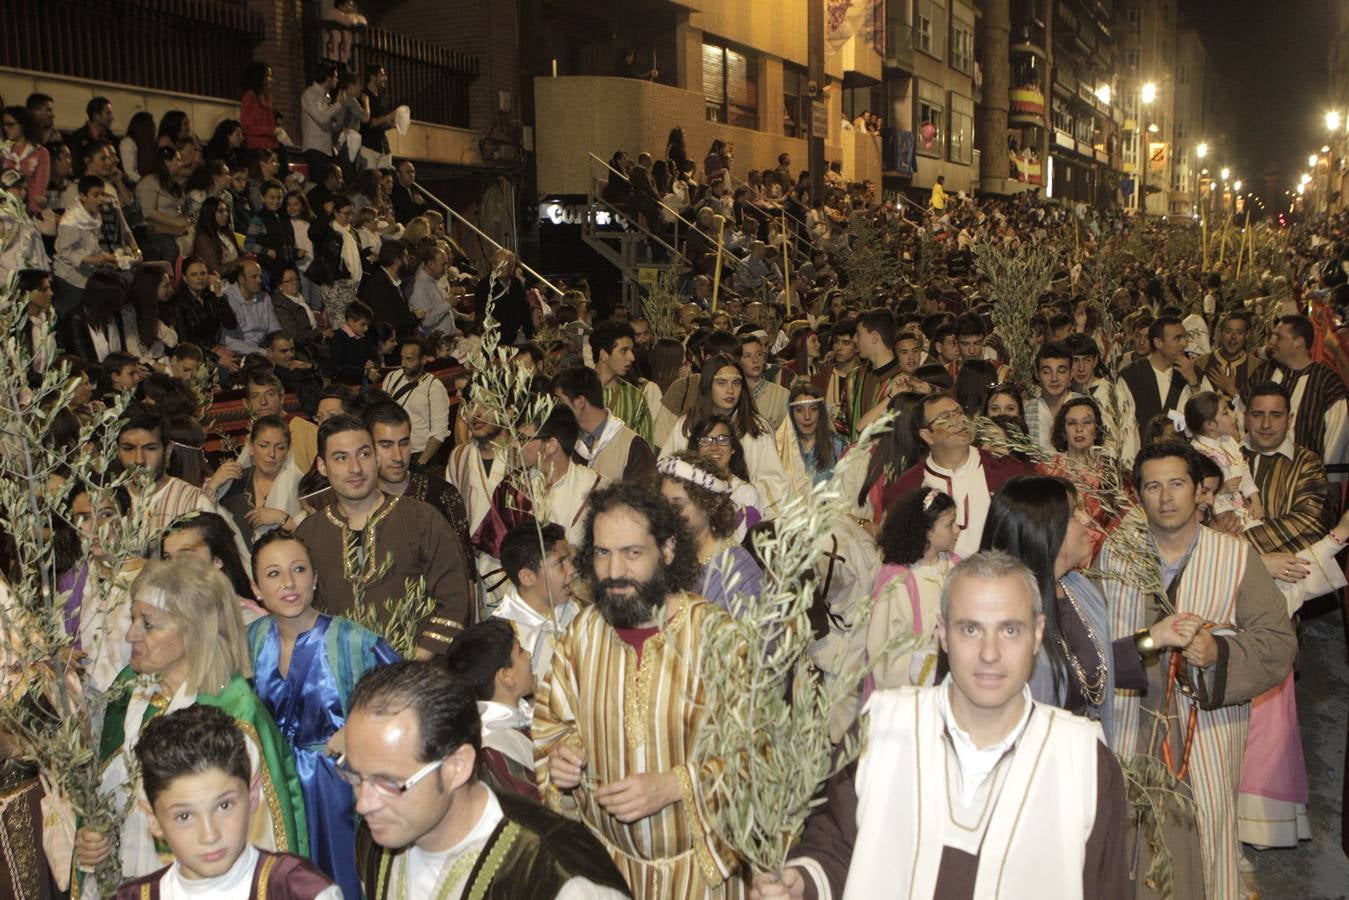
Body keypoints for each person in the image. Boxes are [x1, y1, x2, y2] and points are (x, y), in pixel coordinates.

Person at [754, 551, 1129, 900]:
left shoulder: (1082, 763)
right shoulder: (883, 729)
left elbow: (1104, 888)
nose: (989, 652)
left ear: (1037, 633)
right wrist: (800, 882)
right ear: (942, 633)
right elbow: (832, 845)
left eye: (1010, 630)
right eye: (970, 629)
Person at [1098, 442, 1296, 900]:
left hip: (1205, 728)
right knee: (1130, 838)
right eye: (1152, 486)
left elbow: (1278, 643)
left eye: (1176, 484)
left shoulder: (1236, 558)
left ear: (1199, 493)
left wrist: (1218, 654)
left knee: (1203, 838)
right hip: (1133, 724)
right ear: (1138, 495)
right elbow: (1091, 647)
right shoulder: (1116, 556)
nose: (1165, 497)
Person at [535, 482, 744, 898]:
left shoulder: (716, 637)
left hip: (698, 879)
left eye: (632, 553)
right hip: (605, 875)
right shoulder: (583, 633)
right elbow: (550, 726)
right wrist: (562, 762)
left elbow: (757, 752)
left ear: (666, 551)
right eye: (602, 553)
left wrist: (674, 785)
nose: (613, 572)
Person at [76, 560, 307, 895]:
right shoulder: (127, 692)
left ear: (193, 629)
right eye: (133, 619)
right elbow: (103, 796)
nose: (131, 634)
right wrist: (92, 840)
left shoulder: (235, 714)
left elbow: (262, 834)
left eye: (148, 624)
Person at [347, 661, 631, 897]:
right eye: (356, 776)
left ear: (457, 766)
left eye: (388, 782)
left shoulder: (554, 875)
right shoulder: (376, 842)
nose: (364, 804)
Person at [245, 530, 398, 898]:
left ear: (315, 577)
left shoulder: (354, 642)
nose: (288, 583)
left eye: (298, 569)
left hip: (338, 794)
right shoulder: (249, 640)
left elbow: (409, 701)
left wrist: (358, 729)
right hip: (273, 792)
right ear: (255, 588)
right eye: (273, 574)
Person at [113, 705, 339, 899]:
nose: (210, 836)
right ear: (153, 820)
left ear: (253, 795)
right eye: (184, 816)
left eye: (224, 806)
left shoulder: (301, 891)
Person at [294, 414, 473, 657]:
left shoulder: (421, 519)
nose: (355, 468)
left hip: (418, 677)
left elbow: (455, 599)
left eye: (364, 454)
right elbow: (303, 612)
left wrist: (415, 664)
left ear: (377, 459)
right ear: (322, 466)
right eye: (340, 458)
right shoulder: (308, 534)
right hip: (342, 679)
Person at [888, 393, 1029, 557]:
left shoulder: (1006, 470)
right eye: (946, 417)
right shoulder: (908, 488)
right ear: (927, 435)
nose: (958, 420)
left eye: (959, 412)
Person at [116, 404, 250, 563]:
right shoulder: (107, 500)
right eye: (128, 448)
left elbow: (231, 565)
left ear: (167, 451)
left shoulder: (194, 503)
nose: (139, 459)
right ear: (117, 451)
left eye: (150, 448)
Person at [662, 354, 790, 516]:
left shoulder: (756, 428)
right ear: (708, 385)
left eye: (736, 383)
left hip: (745, 513)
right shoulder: (687, 425)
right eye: (722, 383)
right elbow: (667, 473)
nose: (730, 390)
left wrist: (735, 493)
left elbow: (775, 482)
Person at [860, 487, 959, 691]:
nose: (957, 530)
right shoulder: (899, 582)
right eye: (950, 524)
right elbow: (885, 657)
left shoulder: (956, 568)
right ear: (928, 532)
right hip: (914, 694)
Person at [361, 399, 473, 565]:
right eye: (386, 445)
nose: (398, 456)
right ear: (366, 448)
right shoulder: (356, 501)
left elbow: (465, 568)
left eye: (404, 444)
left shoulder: (442, 495)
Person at [442, 619, 539, 801]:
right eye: (521, 651)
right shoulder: (493, 751)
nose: (529, 655)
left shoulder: (525, 718)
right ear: (506, 676)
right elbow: (535, 814)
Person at [658, 452, 764, 613]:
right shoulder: (666, 557)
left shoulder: (739, 572)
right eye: (662, 504)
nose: (666, 513)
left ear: (712, 504)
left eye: (678, 506)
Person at [1254, 313, 1348, 473]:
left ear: (1299, 342)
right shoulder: (1265, 372)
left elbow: (1337, 434)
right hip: (1260, 472)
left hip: (1307, 479)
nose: (1272, 342)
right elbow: (1241, 415)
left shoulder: (1326, 382)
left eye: (1278, 337)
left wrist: (1332, 479)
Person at [1115, 316, 1209, 463]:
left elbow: (1208, 419)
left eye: (1184, 338)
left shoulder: (1194, 373)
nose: (1184, 344)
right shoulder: (1131, 376)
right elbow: (1125, 428)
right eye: (1177, 339)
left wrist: (1193, 382)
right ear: (1158, 342)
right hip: (1142, 463)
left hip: (1183, 462)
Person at [493, 521, 579, 681]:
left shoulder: (580, 610)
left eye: (570, 560)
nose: (572, 570)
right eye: (560, 563)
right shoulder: (499, 639)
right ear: (527, 577)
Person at [554, 365, 658, 483]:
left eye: (560, 400)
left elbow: (645, 497)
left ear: (580, 402)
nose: (554, 408)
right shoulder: (563, 442)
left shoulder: (634, 446)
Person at [217, 415, 306, 548]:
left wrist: (283, 519)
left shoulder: (302, 487)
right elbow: (208, 526)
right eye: (264, 445)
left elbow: (314, 538)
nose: (271, 454)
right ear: (251, 448)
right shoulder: (235, 482)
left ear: (287, 451)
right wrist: (213, 486)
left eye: (280, 447)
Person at [1184, 391, 1263, 529]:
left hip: (1241, 509)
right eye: (1226, 413)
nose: (1233, 415)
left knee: (1261, 530)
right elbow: (1194, 491)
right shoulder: (1196, 453)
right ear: (1211, 425)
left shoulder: (1229, 442)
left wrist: (1255, 499)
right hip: (1216, 516)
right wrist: (1221, 488)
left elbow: (1244, 471)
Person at [380, 336, 451, 468]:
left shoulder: (434, 387)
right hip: (391, 451)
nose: (404, 363)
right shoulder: (391, 377)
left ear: (423, 359)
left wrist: (421, 462)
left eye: (409, 359)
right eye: (402, 358)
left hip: (419, 454)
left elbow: (439, 433)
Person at [591, 320, 655, 445]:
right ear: (604, 354)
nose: (632, 357)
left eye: (631, 350)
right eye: (624, 350)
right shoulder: (576, 390)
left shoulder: (635, 398)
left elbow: (645, 449)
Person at [778, 380, 845, 492]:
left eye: (813, 409)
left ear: (821, 412)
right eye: (800, 410)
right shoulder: (781, 447)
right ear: (791, 414)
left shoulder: (838, 446)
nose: (807, 416)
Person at [1023, 341, 1085, 452]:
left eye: (1061, 371)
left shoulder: (1084, 406)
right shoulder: (1027, 410)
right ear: (1037, 374)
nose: (1054, 378)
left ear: (1071, 374)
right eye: (1046, 372)